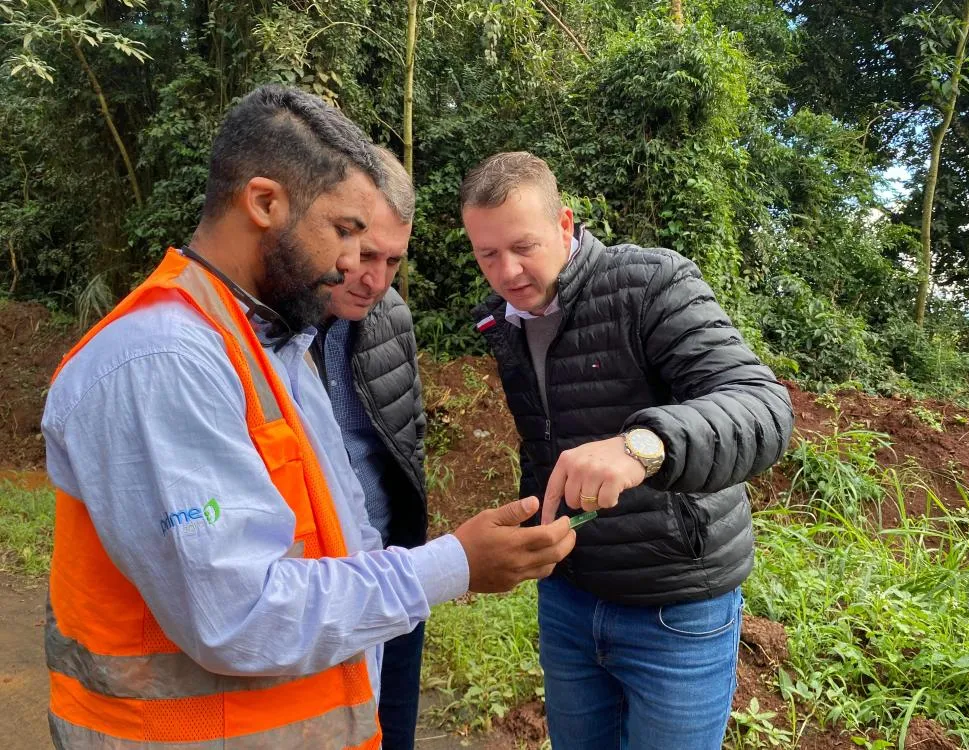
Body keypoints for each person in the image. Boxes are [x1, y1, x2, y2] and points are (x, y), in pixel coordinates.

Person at [41, 89, 575, 750]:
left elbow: (343, 537)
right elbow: (236, 615)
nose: (357, 265)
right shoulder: (161, 364)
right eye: (346, 231)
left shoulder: (274, 347)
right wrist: (454, 564)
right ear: (265, 203)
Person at [461, 151, 794, 750]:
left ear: (564, 225)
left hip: (676, 606)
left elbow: (763, 407)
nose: (507, 271)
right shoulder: (504, 321)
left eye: (524, 246)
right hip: (567, 597)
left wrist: (644, 445)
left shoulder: (652, 284)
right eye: (488, 254)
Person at [310, 146, 427, 750]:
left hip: (392, 576)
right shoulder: (271, 329)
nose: (374, 279)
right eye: (362, 254)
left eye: (392, 261)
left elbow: (408, 439)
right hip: (314, 596)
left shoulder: (391, 317)